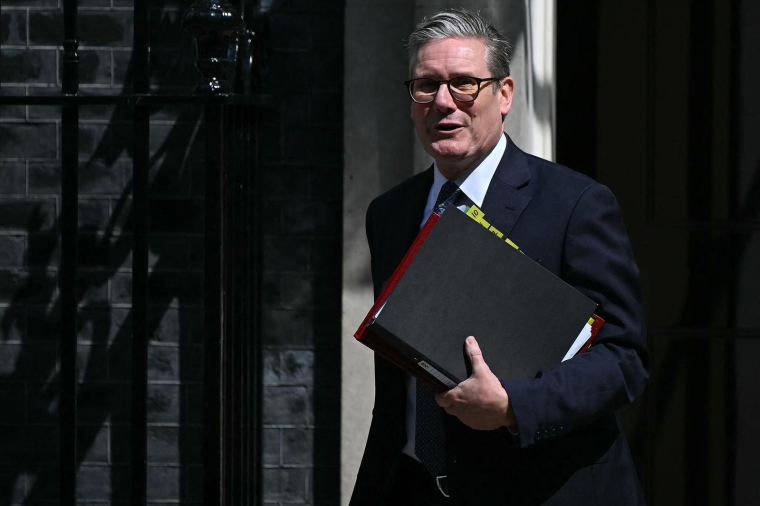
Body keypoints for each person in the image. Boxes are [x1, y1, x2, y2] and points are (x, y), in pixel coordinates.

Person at [350, 8, 649, 506]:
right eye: (426, 86)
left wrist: (514, 405)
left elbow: (624, 360)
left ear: (505, 94)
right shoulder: (390, 213)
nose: (443, 103)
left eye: (464, 83)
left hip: (539, 488)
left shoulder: (574, 205)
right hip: (410, 485)